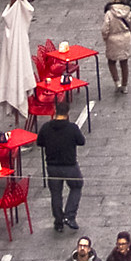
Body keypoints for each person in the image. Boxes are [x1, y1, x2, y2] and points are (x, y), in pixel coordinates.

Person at [38, 97, 86, 232]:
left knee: (56, 193)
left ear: (55, 112)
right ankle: (70, 216)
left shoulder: (46, 127)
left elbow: (39, 142)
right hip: (70, 166)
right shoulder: (72, 128)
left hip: (52, 167)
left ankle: (58, 221)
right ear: (67, 114)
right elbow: (81, 141)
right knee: (77, 186)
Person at [102, 0, 131, 94]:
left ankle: (117, 82)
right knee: (124, 63)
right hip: (125, 38)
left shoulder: (109, 13)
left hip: (113, 39)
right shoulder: (128, 12)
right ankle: (124, 85)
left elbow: (105, 29)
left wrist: (105, 38)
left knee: (111, 61)